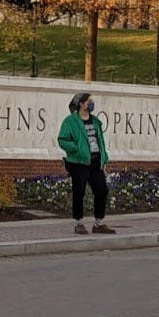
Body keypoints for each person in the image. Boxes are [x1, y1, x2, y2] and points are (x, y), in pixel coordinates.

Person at [57, 92, 115, 234]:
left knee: (102, 190)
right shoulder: (70, 121)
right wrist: (76, 149)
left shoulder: (95, 121)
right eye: (89, 101)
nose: (92, 103)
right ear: (81, 104)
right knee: (79, 192)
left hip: (96, 163)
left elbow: (100, 141)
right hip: (79, 163)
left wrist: (104, 157)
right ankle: (79, 223)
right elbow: (62, 139)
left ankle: (98, 224)